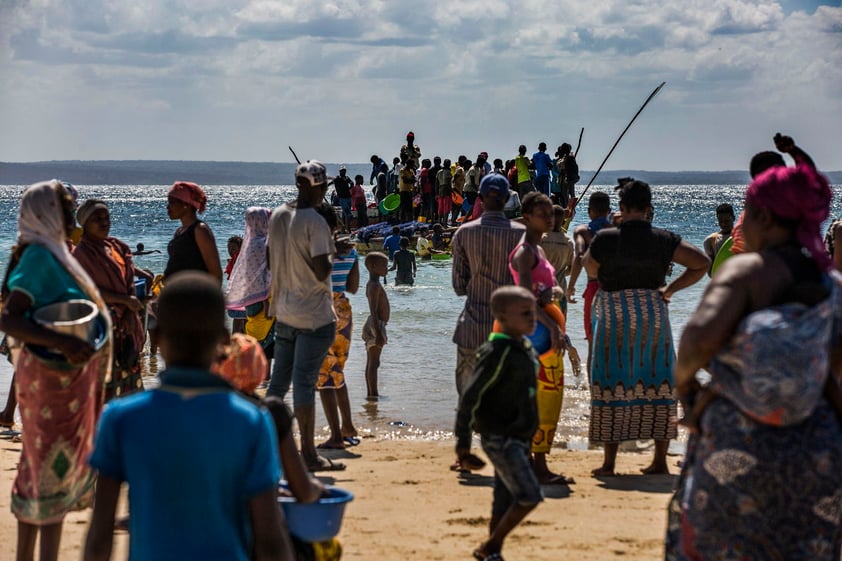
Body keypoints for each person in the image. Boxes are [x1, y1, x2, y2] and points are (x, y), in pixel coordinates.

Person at [666, 164, 842, 560]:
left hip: (738, 441)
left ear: (762, 216)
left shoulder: (747, 272)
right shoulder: (833, 285)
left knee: (721, 544)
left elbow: (694, 345)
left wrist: (691, 394)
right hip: (817, 446)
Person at [83, 272, 294, 561]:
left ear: (154, 337)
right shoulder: (251, 422)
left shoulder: (121, 418)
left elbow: (99, 536)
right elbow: (270, 539)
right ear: (223, 341)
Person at [0, 180, 111, 561]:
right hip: (50, 382)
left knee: (39, 468)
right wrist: (65, 342)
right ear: (48, 213)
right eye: (65, 210)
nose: (70, 217)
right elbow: (9, 319)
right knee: (50, 470)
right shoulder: (39, 259)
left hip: (60, 379)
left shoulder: (51, 254)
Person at [583, 179, 709, 476]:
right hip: (652, 310)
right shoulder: (662, 238)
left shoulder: (606, 238)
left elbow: (590, 267)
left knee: (611, 379)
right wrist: (671, 289)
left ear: (622, 208)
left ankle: (610, 463)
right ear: (649, 208)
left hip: (614, 310)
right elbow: (701, 263)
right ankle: (659, 461)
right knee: (657, 380)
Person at [454, 286, 542, 561]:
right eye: (525, 313)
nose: (532, 318)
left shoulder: (523, 347)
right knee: (529, 495)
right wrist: (463, 446)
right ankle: (491, 545)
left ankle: (494, 553)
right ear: (502, 316)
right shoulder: (497, 351)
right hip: (501, 437)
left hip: (518, 436)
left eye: (534, 312)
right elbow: (470, 397)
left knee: (503, 498)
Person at [266, 161, 343, 472]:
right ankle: (308, 455)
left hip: (283, 312)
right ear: (313, 187)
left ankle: (267, 448)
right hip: (313, 315)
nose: (325, 191)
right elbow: (322, 269)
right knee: (303, 385)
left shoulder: (278, 215)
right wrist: (334, 250)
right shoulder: (315, 221)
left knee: (277, 386)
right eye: (323, 187)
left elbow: (271, 262)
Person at [451, 173, 526, 471]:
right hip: (507, 330)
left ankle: (464, 453)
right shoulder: (521, 234)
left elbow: (459, 285)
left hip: (472, 323)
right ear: (507, 199)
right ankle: (506, 453)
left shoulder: (464, 233)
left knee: (467, 394)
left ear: (480, 200)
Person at [508, 192, 572, 485]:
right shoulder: (525, 252)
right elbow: (524, 297)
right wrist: (553, 326)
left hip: (546, 330)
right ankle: (536, 465)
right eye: (543, 214)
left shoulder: (538, 250)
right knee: (538, 397)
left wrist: (554, 299)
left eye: (551, 213)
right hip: (535, 333)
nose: (550, 218)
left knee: (547, 398)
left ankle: (537, 462)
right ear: (526, 218)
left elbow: (545, 290)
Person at [73, 199, 151, 401]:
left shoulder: (117, 247)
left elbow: (130, 281)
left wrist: (128, 310)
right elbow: (88, 289)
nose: (104, 222)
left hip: (127, 323)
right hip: (100, 327)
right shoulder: (81, 254)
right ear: (84, 223)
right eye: (97, 219)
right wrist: (124, 300)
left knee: (131, 375)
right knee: (101, 385)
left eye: (106, 217)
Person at [316, 205, 361, 450]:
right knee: (337, 372)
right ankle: (348, 426)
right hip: (343, 311)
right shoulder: (350, 252)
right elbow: (353, 287)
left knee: (324, 376)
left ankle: (336, 436)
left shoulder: (314, 253)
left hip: (321, 310)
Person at [225, 207, 274, 379]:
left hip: (251, 300)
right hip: (267, 298)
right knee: (267, 340)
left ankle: (248, 375)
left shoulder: (250, 244)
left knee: (251, 332)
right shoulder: (265, 243)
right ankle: (263, 379)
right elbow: (269, 272)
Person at [567, 191, 611, 374]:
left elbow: (578, 257)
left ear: (589, 210)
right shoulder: (617, 230)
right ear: (609, 210)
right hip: (616, 288)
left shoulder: (583, 231)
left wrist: (571, 287)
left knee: (593, 340)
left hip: (594, 287)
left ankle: (594, 388)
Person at [163, 181, 222, 283]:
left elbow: (216, 274)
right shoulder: (179, 231)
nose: (168, 207)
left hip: (195, 295)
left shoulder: (200, 230)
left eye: (172, 202)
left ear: (186, 204)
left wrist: (211, 298)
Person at [362, 252, 390, 399]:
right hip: (376, 324)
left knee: (373, 362)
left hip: (376, 323)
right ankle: (373, 394)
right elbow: (373, 310)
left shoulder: (375, 284)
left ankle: (371, 393)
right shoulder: (374, 286)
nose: (387, 268)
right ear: (373, 267)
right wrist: (378, 333)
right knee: (374, 362)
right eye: (384, 265)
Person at [702, 203, 735, 275]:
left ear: (733, 218)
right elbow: (710, 270)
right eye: (720, 221)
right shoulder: (710, 240)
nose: (723, 224)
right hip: (721, 278)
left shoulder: (745, 236)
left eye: (727, 221)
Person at [330, 166, 354, 232]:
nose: (343, 172)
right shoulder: (337, 179)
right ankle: (348, 228)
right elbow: (330, 183)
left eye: (344, 171)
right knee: (347, 213)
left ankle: (343, 229)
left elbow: (352, 183)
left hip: (348, 197)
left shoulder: (347, 178)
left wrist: (349, 189)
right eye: (342, 171)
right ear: (339, 172)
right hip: (342, 198)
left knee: (344, 213)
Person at [555, 143, 579, 208]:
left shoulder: (566, 159)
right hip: (570, 179)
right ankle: (570, 208)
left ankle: (567, 208)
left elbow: (559, 167)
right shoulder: (570, 158)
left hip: (566, 180)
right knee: (571, 194)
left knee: (565, 195)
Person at [398, 159, 417, 223]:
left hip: (410, 190)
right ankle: (402, 220)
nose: (413, 166)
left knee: (410, 207)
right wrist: (411, 180)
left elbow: (414, 179)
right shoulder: (402, 171)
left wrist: (411, 180)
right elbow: (405, 181)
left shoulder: (411, 171)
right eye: (412, 164)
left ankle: (409, 221)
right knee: (403, 206)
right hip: (403, 191)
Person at [436, 158, 453, 226]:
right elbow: (448, 183)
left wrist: (436, 193)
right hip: (446, 192)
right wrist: (451, 191)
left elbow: (436, 183)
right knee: (446, 208)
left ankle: (439, 222)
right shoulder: (448, 172)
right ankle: (445, 223)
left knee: (440, 208)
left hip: (440, 191)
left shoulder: (439, 172)